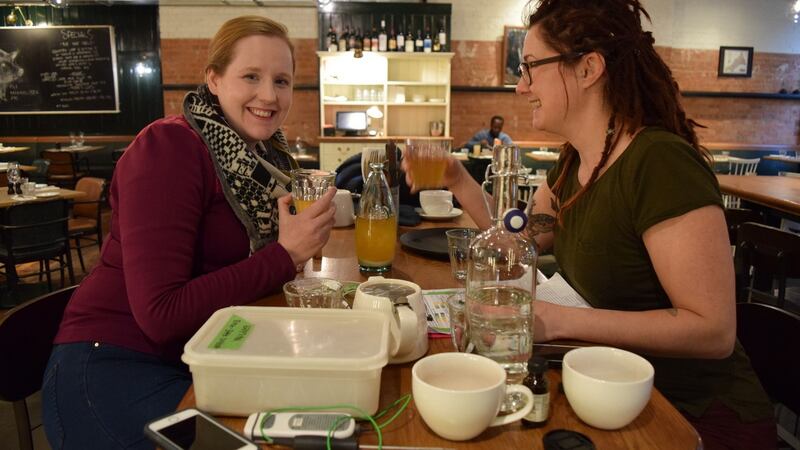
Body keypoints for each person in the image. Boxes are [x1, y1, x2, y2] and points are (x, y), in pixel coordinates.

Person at [405, 1, 775, 448]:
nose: (521, 87)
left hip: (688, 414)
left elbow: (713, 331)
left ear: (588, 69)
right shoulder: (574, 162)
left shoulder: (658, 162)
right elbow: (511, 243)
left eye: (531, 68)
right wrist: (458, 178)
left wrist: (555, 320)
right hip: (603, 389)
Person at [41, 16, 336, 449]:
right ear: (213, 80)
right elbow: (160, 314)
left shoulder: (263, 158)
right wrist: (286, 255)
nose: (269, 96)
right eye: (251, 76)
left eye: (282, 80)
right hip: (113, 367)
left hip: (197, 358)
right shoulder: (168, 148)